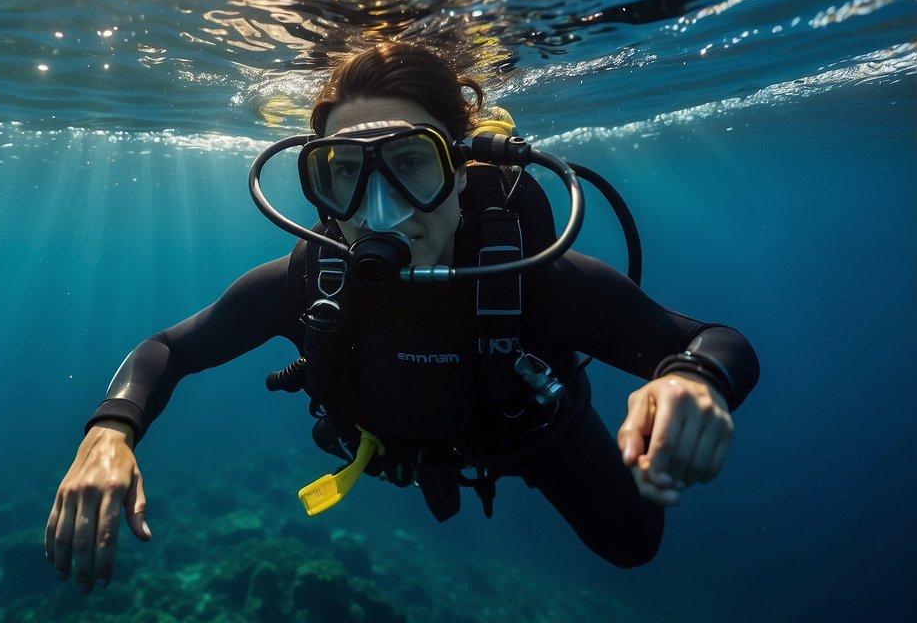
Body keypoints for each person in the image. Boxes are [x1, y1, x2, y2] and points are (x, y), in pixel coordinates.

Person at [45, 41, 759, 593]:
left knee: (633, 547)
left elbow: (713, 340)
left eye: (411, 164)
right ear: (319, 183)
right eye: (345, 173)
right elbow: (167, 348)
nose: (379, 212)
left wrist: (692, 379)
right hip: (382, 445)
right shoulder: (307, 278)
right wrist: (111, 430)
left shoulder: (534, 283)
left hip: (528, 436)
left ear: (462, 167)